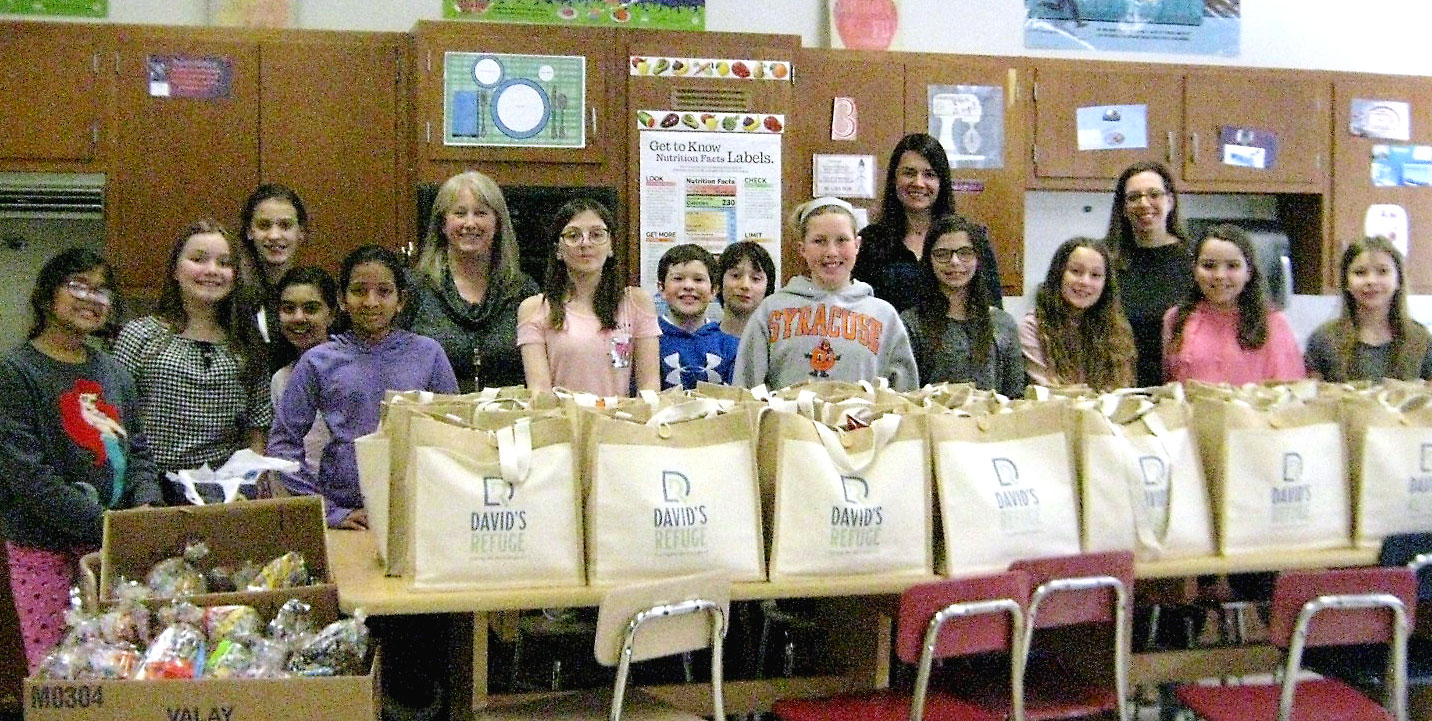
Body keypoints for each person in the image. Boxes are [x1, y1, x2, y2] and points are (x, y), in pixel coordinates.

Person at [0, 248, 164, 671]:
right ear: (45, 296)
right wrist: (107, 525)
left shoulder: (114, 372)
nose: (92, 298)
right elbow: (28, 476)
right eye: (78, 286)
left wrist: (145, 505)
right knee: (59, 671)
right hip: (44, 547)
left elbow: (139, 450)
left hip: (115, 546)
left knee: (121, 665)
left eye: (103, 291)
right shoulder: (15, 372)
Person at [268, 245, 458, 529]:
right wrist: (326, 510)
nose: (371, 302)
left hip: (416, 510)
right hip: (346, 509)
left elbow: (454, 433)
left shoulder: (428, 354)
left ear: (401, 299)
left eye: (383, 291)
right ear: (342, 300)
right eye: (359, 291)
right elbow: (282, 445)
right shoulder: (318, 361)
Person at [113, 220, 270, 504]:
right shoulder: (139, 335)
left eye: (224, 263)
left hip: (223, 495)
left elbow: (257, 427)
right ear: (175, 269)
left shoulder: (248, 344)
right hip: (149, 491)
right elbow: (116, 422)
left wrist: (247, 485)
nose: (211, 270)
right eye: (198, 259)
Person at [733, 197, 918, 391]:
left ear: (857, 245)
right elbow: (745, 389)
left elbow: (905, 397)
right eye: (819, 241)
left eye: (842, 240)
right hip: (790, 421)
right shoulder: (771, 310)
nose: (831, 251)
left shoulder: (884, 316)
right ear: (802, 248)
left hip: (861, 421)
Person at [407, 171, 539, 391]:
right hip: (433, 418)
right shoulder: (416, 288)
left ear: (497, 224)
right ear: (442, 224)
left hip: (506, 417)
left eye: (480, 213)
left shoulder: (523, 290)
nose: (470, 223)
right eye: (460, 213)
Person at [518, 198, 661, 397]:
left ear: (611, 246)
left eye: (596, 235)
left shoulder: (636, 302)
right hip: (560, 423)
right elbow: (539, 392)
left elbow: (649, 387)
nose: (585, 243)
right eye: (573, 235)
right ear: (558, 250)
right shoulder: (535, 308)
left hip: (622, 423)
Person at [853, 132, 1002, 313]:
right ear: (894, 179)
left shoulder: (972, 239)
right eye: (909, 173)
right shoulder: (870, 241)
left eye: (929, 174)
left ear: (942, 182)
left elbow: (992, 311)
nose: (919, 183)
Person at [1162, 224, 1305, 385]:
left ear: (1249, 272)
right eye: (1209, 266)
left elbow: (1290, 393)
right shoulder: (1176, 318)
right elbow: (1169, 388)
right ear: (1194, 270)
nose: (1220, 276)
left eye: (1232, 266)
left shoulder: (1273, 323)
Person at [901, 214, 1025, 397]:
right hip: (931, 422)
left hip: (993, 422)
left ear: (978, 259)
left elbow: (1015, 395)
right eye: (942, 254)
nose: (954, 262)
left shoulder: (1002, 323)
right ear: (929, 261)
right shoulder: (910, 324)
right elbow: (905, 396)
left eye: (965, 253)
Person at [1105, 160, 1193, 388]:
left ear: (1170, 201)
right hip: (1117, 387)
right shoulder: (1104, 262)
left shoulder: (1197, 261)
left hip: (1181, 388)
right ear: (1123, 208)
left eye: (1154, 194)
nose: (1144, 203)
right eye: (1134, 197)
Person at [1305, 236, 1432, 382]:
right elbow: (1311, 398)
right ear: (1346, 282)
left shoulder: (1420, 339)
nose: (1371, 281)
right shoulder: (1324, 340)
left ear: (1399, 280)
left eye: (1382, 271)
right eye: (1360, 272)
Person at [1019, 237, 1136, 390]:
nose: (1085, 282)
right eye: (1076, 271)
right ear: (1058, 274)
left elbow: (1122, 391)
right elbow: (1049, 391)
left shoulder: (1117, 330)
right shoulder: (1032, 328)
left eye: (1095, 275)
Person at [269, 266, 338, 483]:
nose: (299, 318)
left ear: (332, 314)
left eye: (310, 309)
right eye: (289, 309)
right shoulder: (280, 379)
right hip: (304, 495)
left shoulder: (351, 367)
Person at [655, 243, 738, 389]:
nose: (688, 286)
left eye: (698, 280)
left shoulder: (729, 347)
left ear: (714, 290)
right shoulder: (650, 341)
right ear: (661, 288)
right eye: (678, 278)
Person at [238, 183, 310, 349]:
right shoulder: (233, 297)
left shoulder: (316, 295)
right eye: (264, 225)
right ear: (249, 231)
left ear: (301, 232)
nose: (274, 235)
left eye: (285, 225)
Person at [716, 240, 775, 339]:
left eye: (756, 278)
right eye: (735, 276)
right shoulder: (702, 341)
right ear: (719, 281)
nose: (745, 285)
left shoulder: (777, 345)